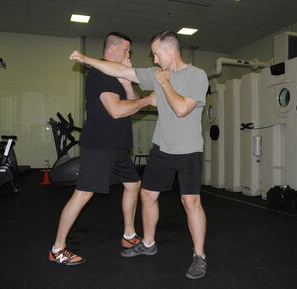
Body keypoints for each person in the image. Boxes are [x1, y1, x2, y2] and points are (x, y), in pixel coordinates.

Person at [69, 30, 208, 279]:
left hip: (188, 149)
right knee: (146, 194)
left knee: (190, 202)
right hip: (162, 148)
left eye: (156, 54)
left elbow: (181, 109)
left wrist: (165, 83)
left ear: (169, 51)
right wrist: (87, 59)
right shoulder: (155, 74)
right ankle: (148, 243)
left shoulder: (197, 76)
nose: (154, 60)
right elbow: (120, 71)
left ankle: (199, 255)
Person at [49, 32, 155, 266]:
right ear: (112, 49)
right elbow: (117, 110)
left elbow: (131, 104)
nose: (129, 55)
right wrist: (148, 100)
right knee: (83, 193)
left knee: (133, 184)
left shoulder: (116, 77)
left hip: (117, 146)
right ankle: (57, 248)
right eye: (126, 50)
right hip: (100, 146)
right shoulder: (99, 75)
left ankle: (128, 235)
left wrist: (127, 83)